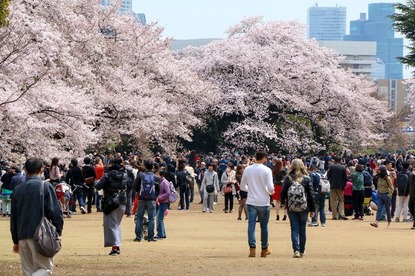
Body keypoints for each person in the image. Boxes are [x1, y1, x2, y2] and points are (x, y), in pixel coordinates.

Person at [10, 158, 64, 275]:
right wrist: (57, 233)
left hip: (22, 234)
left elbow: (13, 217)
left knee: (28, 271)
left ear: (25, 170)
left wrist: (15, 240)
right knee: (45, 269)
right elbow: (55, 213)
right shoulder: (45, 186)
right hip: (41, 234)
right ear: (42, 169)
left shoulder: (17, 190)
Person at [240, 150, 274, 258]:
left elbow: (242, 186)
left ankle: (252, 249)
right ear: (264, 158)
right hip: (263, 201)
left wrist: (250, 189)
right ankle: (264, 248)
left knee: (251, 225)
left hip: (251, 201)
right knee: (264, 226)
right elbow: (270, 187)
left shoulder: (248, 169)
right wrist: (270, 192)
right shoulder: (267, 170)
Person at [280, 159, 315, 258]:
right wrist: (312, 209)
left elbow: (283, 192)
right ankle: (302, 250)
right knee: (302, 229)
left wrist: (283, 202)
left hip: (291, 206)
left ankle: (296, 250)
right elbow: (311, 195)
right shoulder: (307, 179)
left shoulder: (288, 178)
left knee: (294, 228)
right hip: (304, 206)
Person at [95, 158, 128, 255]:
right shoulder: (125, 175)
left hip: (111, 201)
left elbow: (98, 186)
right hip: (122, 201)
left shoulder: (107, 174)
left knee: (111, 225)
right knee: (117, 224)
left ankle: (115, 247)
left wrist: (95, 182)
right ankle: (117, 245)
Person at [134, 160, 160, 242]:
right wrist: (155, 196)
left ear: (144, 166)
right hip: (151, 199)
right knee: (151, 218)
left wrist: (139, 193)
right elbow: (158, 189)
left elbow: (135, 187)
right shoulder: (156, 177)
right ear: (152, 167)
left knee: (139, 218)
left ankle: (138, 236)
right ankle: (150, 237)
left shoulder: (140, 175)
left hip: (141, 198)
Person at [326, 156, 348, 220]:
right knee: (341, 200)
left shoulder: (331, 167)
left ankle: (334, 215)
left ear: (334, 161)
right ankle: (342, 213)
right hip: (340, 186)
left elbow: (328, 176)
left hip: (332, 186)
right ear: (340, 160)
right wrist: (343, 185)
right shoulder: (343, 168)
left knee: (333, 201)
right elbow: (345, 178)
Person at [156, 170, 170, 239]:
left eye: (157, 174)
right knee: (160, 218)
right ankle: (162, 233)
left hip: (164, 202)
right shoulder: (161, 182)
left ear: (161, 175)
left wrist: (159, 197)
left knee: (159, 219)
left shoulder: (164, 182)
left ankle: (160, 234)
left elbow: (168, 192)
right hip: (162, 202)